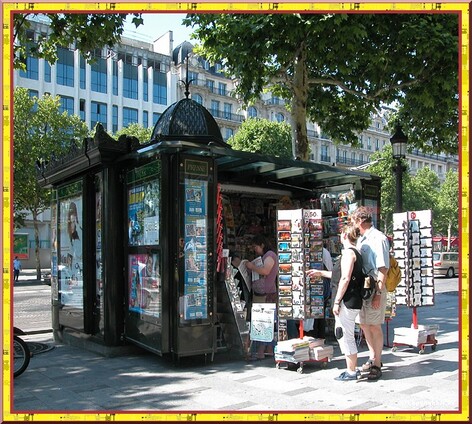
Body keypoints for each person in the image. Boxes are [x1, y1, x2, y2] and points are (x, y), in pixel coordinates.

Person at [307, 223, 364, 381]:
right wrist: (321, 273)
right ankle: (351, 368)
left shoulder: (348, 254)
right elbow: (339, 274)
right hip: (352, 300)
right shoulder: (355, 253)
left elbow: (344, 279)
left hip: (347, 300)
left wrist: (337, 301)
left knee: (345, 335)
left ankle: (351, 370)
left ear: (345, 236)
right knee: (346, 334)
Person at [351, 206, 390, 381]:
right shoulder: (361, 239)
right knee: (365, 324)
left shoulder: (378, 238)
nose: (353, 224)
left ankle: (377, 363)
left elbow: (383, 269)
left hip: (374, 286)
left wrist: (379, 293)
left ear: (360, 221)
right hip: (363, 288)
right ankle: (373, 357)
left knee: (374, 324)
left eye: (354, 220)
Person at [245, 234, 278, 360]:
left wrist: (252, 267)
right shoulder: (265, 256)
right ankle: (267, 349)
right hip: (261, 293)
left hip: (266, 294)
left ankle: (262, 350)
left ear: (262, 245)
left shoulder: (270, 255)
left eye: (256, 247)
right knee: (263, 320)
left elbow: (265, 271)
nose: (255, 249)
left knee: (264, 321)